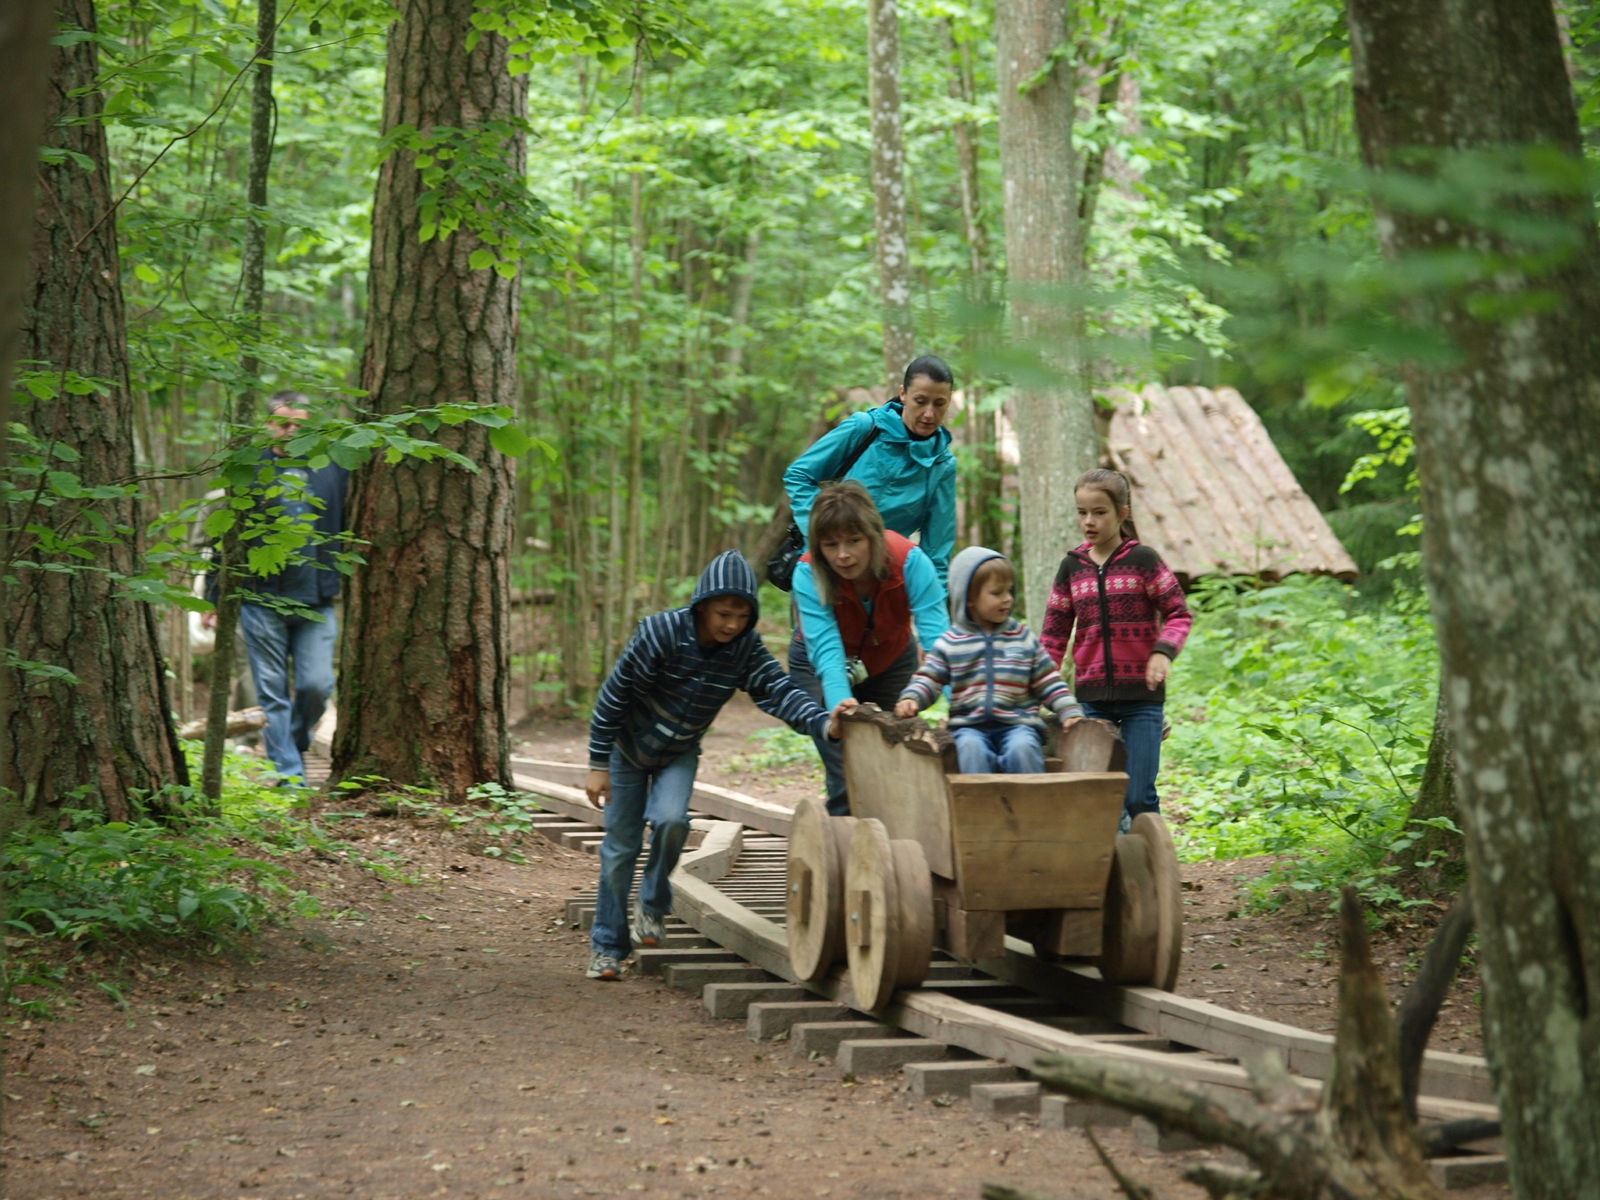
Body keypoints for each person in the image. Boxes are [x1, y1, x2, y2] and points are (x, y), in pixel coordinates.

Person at [585, 550, 852, 982]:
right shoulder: (660, 633)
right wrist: (598, 762)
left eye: (742, 616)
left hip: (678, 752)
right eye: (723, 613)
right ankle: (607, 946)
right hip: (627, 751)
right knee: (620, 851)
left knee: (672, 821)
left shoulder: (744, 649)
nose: (731, 624)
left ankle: (652, 904)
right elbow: (613, 696)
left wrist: (825, 725)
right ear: (702, 606)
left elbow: (779, 691)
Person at [203, 391, 350, 785]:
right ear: (268, 425)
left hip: (317, 598)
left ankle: (296, 743)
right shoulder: (248, 470)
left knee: (317, 685)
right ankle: (289, 776)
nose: (291, 432)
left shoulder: (332, 468)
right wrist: (213, 596)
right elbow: (226, 538)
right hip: (260, 598)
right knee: (272, 696)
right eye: (284, 424)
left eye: (300, 425)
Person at [1040, 469, 1193, 829]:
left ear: (1123, 513)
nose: (1088, 521)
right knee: (1101, 793)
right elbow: (1053, 636)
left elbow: (1179, 614)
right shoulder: (1071, 568)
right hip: (1092, 701)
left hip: (1143, 699)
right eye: (1082, 512)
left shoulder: (1144, 561)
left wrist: (1162, 651)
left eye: (1099, 512)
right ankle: (1113, 872)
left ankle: (1153, 872)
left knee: (1139, 795)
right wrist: (1039, 686)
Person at [788, 481, 948, 815]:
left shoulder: (910, 561)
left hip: (891, 657)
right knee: (847, 766)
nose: (843, 555)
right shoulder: (808, 572)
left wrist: (964, 703)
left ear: (873, 536)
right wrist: (840, 706)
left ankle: (896, 846)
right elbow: (827, 651)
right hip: (820, 663)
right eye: (831, 545)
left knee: (890, 757)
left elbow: (940, 644)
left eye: (854, 541)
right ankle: (846, 847)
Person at [894, 547, 1084, 773]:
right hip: (969, 727)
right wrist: (913, 698)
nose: (1007, 599)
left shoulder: (1021, 638)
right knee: (970, 750)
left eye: (1009, 591)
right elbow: (929, 677)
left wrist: (1069, 710)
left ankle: (1031, 805)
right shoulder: (951, 643)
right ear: (969, 598)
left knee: (1023, 749)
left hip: (1018, 724)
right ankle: (978, 806)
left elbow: (1049, 680)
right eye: (997, 593)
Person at [783, 355, 958, 586]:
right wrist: (821, 531)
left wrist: (935, 608)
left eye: (939, 404)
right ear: (903, 394)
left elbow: (937, 551)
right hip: (825, 572)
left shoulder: (941, 466)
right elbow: (798, 476)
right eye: (920, 401)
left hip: (882, 582)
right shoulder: (865, 429)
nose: (929, 413)